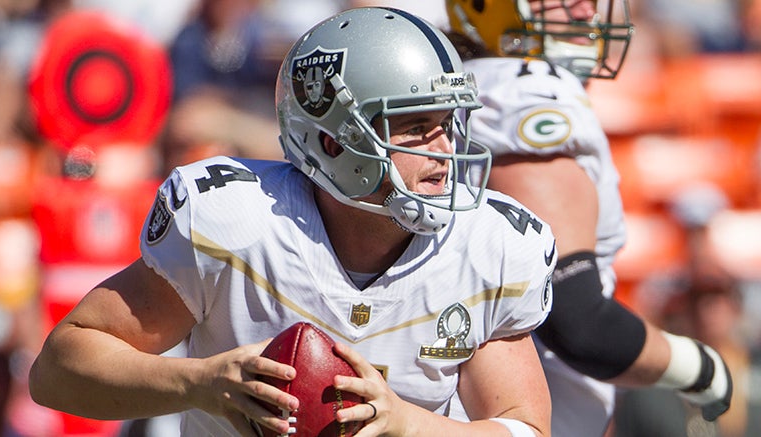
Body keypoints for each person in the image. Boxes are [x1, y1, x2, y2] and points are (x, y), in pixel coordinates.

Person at [29, 7, 557, 437]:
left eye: (448, 124)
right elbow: (57, 371)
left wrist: (409, 424)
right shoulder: (237, 223)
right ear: (334, 141)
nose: (445, 151)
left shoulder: (488, 247)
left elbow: (524, 428)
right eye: (417, 127)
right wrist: (200, 382)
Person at [443, 1, 732, 436]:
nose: (584, 9)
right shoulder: (525, 96)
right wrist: (701, 367)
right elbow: (578, 322)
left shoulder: (469, 87)